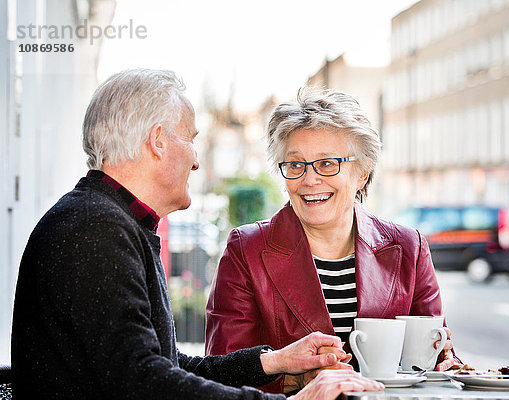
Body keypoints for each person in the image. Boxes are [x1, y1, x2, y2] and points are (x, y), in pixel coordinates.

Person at [10, 70, 384, 400]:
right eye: (190, 138)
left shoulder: (107, 221)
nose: (195, 160)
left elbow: (163, 364)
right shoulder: (96, 230)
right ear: (158, 141)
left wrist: (273, 362)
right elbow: (142, 382)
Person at [205, 87, 461, 394]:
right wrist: (295, 379)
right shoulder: (246, 251)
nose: (310, 180)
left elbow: (439, 354)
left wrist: (448, 366)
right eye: (295, 165)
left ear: (363, 173)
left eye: (327, 164)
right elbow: (220, 374)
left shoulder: (409, 249)